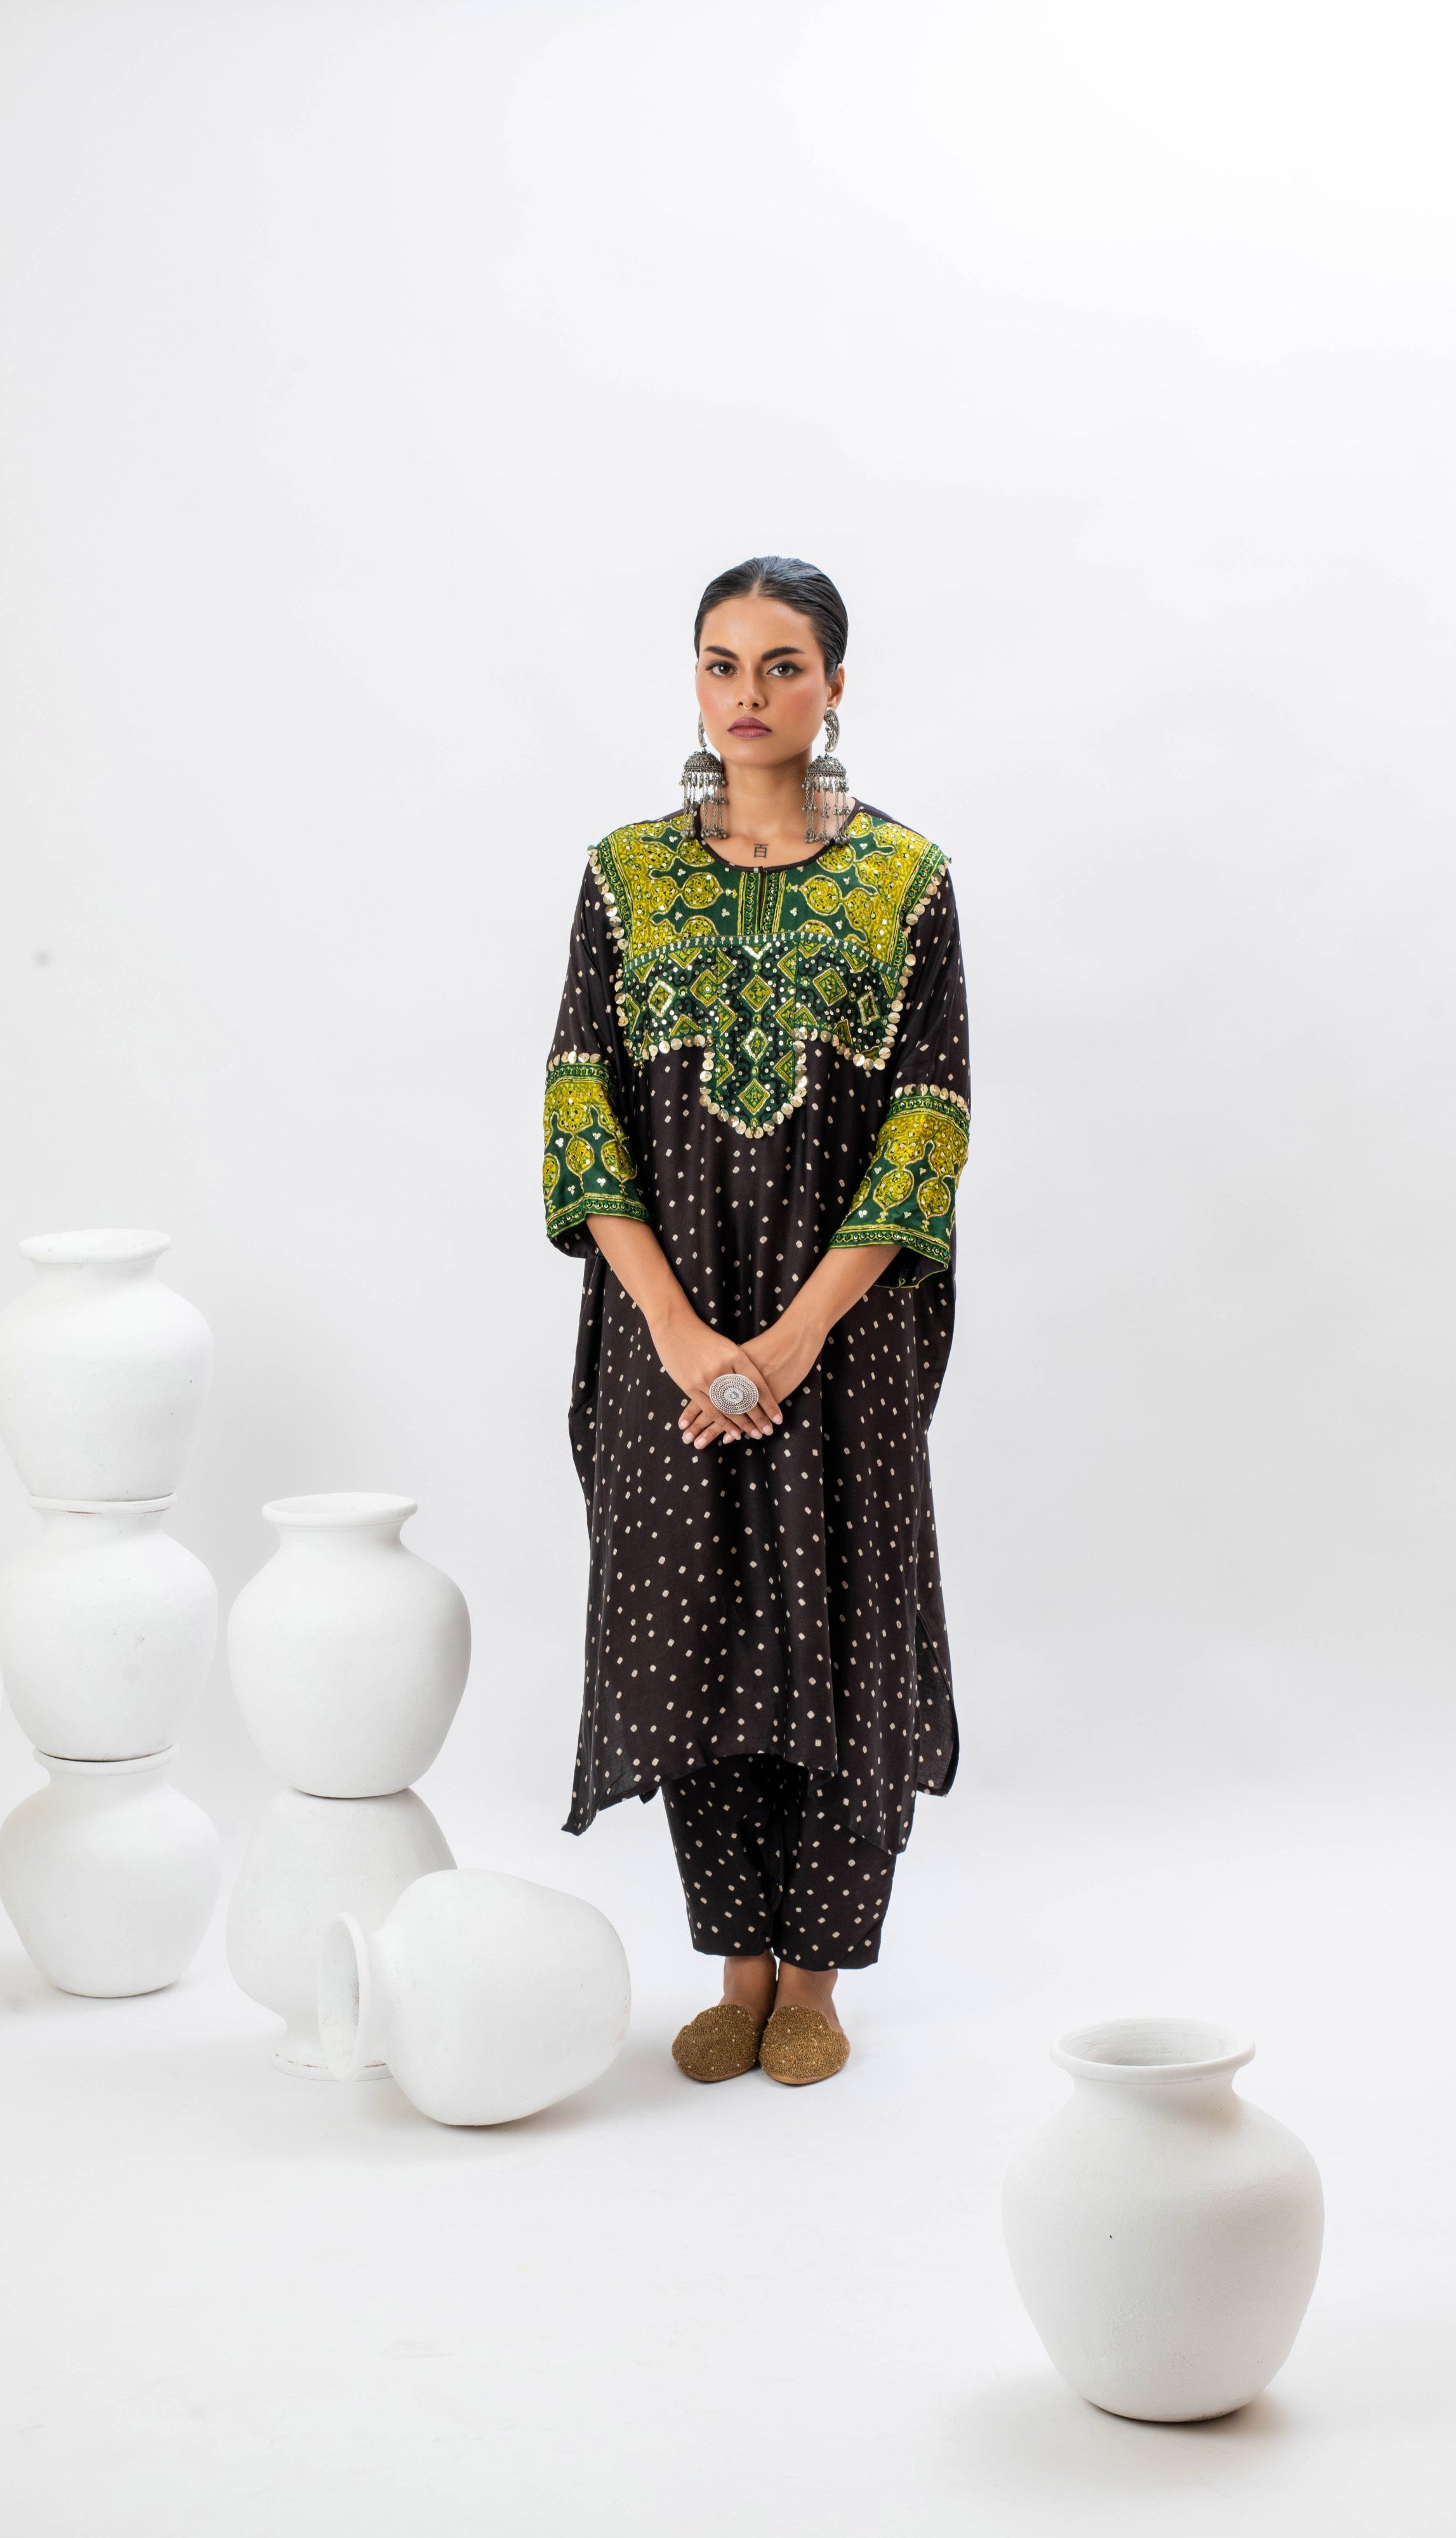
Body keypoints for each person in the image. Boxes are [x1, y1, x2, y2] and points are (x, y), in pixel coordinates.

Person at [541, 556, 969, 2088]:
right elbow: (579, 1110)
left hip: (841, 1334)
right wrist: (671, 1328)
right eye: (719, 663)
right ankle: (736, 1966)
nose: (746, 693)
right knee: (694, 1626)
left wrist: (788, 1342)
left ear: (832, 685)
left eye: (781, 665)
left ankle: (817, 1979)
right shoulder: (622, 876)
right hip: (661, 1331)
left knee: (840, 1626)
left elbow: (925, 1125)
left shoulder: (904, 882)